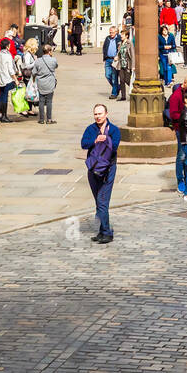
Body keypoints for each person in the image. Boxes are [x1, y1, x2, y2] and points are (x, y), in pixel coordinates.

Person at [80, 103, 121, 243]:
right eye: (95, 114)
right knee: (98, 201)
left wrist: (106, 139)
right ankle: (102, 231)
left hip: (108, 169)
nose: (98, 116)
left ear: (106, 114)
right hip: (93, 169)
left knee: (102, 201)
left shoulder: (114, 130)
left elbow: (115, 146)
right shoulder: (90, 129)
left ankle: (107, 232)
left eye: (100, 113)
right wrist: (95, 140)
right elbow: (83, 144)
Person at [0, 40, 18, 121]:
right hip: (7, 78)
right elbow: (10, 69)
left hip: (0, 78)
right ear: (7, 46)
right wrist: (16, 79)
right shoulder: (7, 55)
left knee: (2, 96)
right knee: (4, 98)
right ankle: (3, 116)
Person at [34, 42, 58, 124]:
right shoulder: (53, 60)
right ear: (50, 51)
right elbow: (56, 66)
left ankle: (41, 119)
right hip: (50, 83)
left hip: (40, 83)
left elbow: (34, 72)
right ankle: (49, 119)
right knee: (49, 101)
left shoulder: (38, 61)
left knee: (41, 101)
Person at [22, 36, 40, 116]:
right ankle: (26, 109)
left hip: (31, 76)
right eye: (36, 44)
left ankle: (29, 109)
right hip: (27, 76)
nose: (37, 45)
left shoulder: (31, 54)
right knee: (29, 92)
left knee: (30, 92)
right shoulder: (27, 55)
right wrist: (35, 62)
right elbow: (26, 66)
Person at [102, 25, 121, 99]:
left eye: (112, 32)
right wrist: (105, 55)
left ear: (116, 32)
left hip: (115, 60)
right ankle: (117, 87)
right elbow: (104, 47)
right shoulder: (108, 38)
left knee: (114, 77)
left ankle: (114, 93)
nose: (111, 34)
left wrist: (117, 56)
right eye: (110, 32)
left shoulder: (119, 38)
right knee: (107, 75)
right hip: (108, 59)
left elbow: (120, 49)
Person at [116, 27, 134, 101]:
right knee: (122, 80)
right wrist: (116, 57)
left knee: (127, 80)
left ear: (126, 36)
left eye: (122, 34)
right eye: (121, 34)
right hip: (121, 64)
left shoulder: (129, 43)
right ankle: (123, 96)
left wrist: (133, 66)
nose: (121, 36)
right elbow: (119, 53)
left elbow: (132, 55)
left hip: (127, 64)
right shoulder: (120, 43)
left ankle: (134, 91)